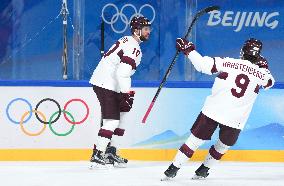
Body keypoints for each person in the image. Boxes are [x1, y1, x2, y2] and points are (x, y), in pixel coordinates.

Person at [162, 38, 275, 180]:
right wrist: (264, 68)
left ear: (243, 52)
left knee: (194, 141)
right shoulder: (262, 74)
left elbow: (202, 65)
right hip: (236, 119)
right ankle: (203, 170)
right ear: (258, 55)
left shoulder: (228, 62)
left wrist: (188, 50)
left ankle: (172, 169)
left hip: (213, 111)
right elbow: (270, 83)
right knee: (223, 145)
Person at [89, 16, 151, 168]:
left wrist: (124, 93)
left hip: (109, 83)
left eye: (148, 28)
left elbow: (121, 72)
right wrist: (126, 94)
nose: (148, 31)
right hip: (107, 83)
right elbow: (122, 73)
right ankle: (98, 154)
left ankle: (111, 151)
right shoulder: (134, 48)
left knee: (121, 117)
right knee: (112, 121)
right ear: (136, 31)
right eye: (145, 29)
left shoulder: (128, 40)